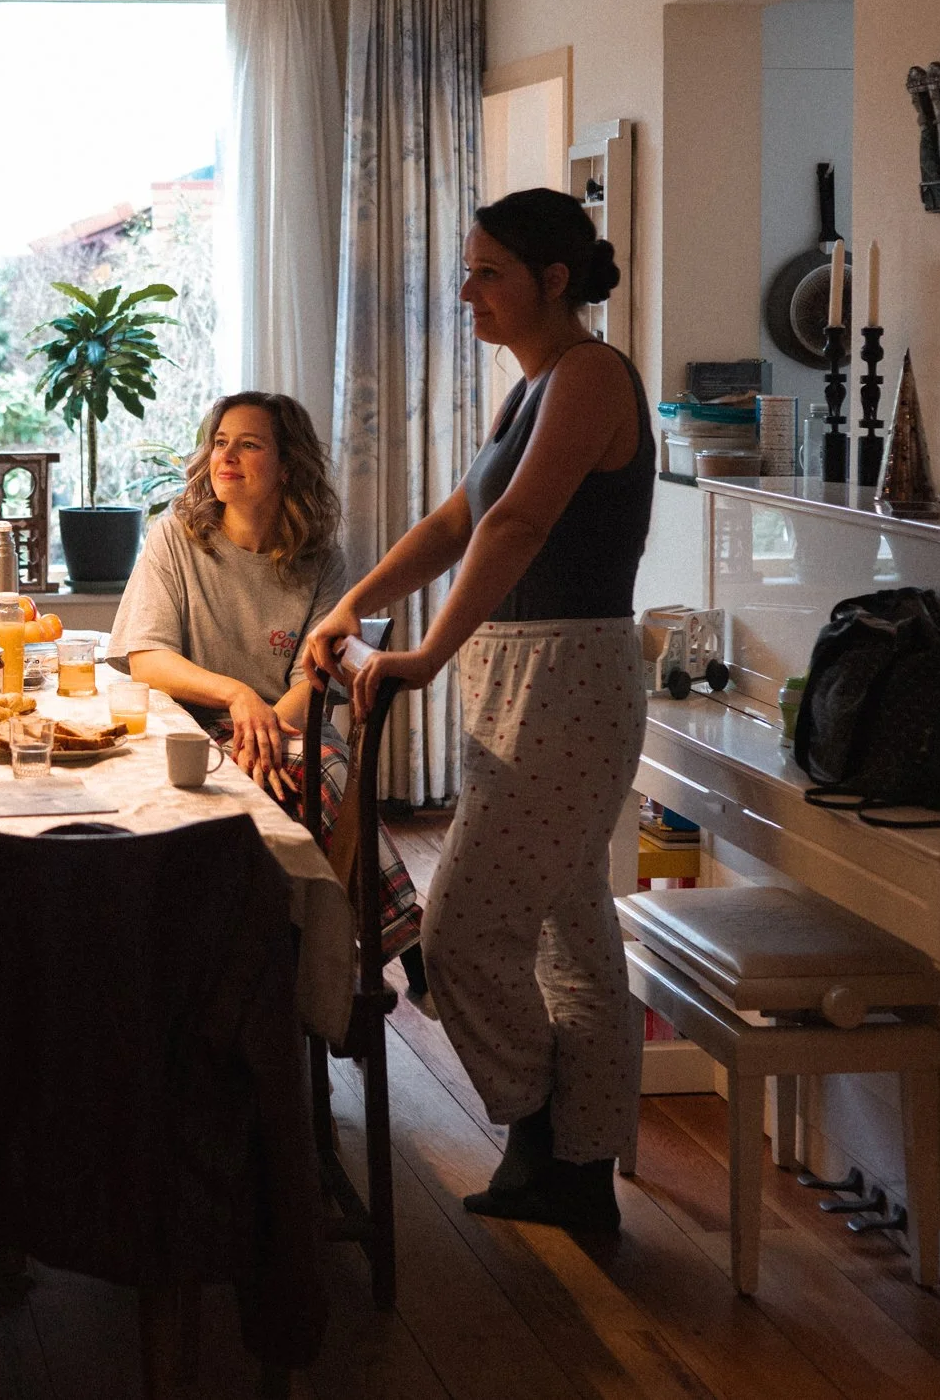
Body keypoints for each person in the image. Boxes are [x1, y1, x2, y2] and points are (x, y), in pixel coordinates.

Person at [305, 188, 654, 1231]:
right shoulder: (533, 385)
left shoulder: (590, 375)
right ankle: (577, 1173)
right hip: (522, 667)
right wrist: (355, 603)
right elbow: (459, 516)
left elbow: (516, 523)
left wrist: (417, 652)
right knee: (570, 927)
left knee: (457, 932)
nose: (465, 292)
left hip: (566, 672)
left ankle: (543, 1131)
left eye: (486, 272)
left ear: (553, 279)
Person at [109, 392, 425, 974]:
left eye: (249, 444)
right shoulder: (175, 537)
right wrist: (237, 696)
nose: (225, 457)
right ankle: (401, 948)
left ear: (288, 465)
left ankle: (300, 961)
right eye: (220, 443)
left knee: (315, 771)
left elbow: (320, 671)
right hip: (190, 729)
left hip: (286, 724)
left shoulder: (321, 561)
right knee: (319, 776)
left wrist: (268, 728)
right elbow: (147, 656)